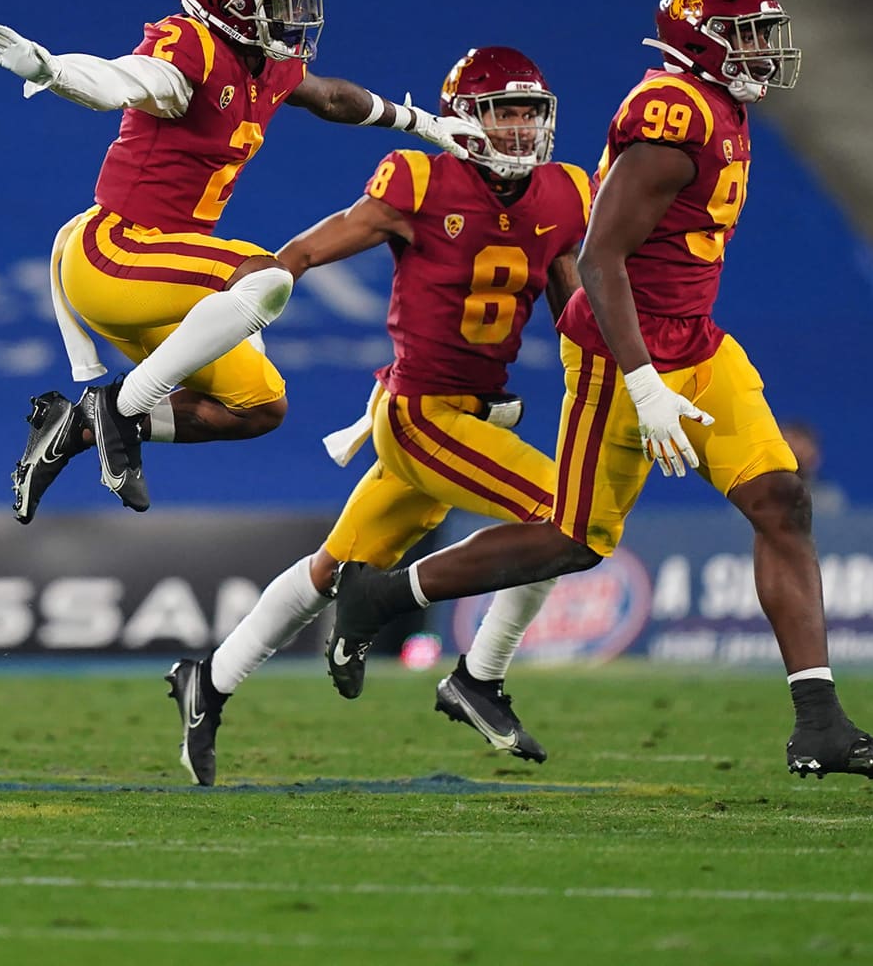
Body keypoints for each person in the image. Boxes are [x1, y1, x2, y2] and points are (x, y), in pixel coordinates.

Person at [323, 0, 873, 780]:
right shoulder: (670, 117)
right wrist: (645, 385)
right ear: (700, 40)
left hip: (699, 343)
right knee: (574, 540)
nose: (761, 49)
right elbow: (602, 257)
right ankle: (383, 597)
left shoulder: (721, 108)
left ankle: (818, 722)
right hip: (622, 348)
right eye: (744, 32)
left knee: (781, 499)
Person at [163, 47, 590, 785]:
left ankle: (211, 679)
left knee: (332, 566)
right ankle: (477, 677)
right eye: (504, 112)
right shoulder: (419, 179)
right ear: (463, 117)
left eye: (531, 112)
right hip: (420, 415)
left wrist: (636, 382)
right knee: (567, 517)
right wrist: (264, 281)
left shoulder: (564, 194)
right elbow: (306, 249)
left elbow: (576, 313)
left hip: (476, 418)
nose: (521, 129)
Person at [0, 0, 484, 520]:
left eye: (292, 1)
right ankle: (116, 408)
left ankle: (79, 427)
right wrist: (53, 70)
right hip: (117, 255)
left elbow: (332, 98)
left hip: (163, 281)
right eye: (271, 4)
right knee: (266, 278)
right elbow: (123, 80)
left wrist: (423, 124)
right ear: (223, 6)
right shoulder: (190, 49)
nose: (290, 17)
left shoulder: (266, 61)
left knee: (259, 408)